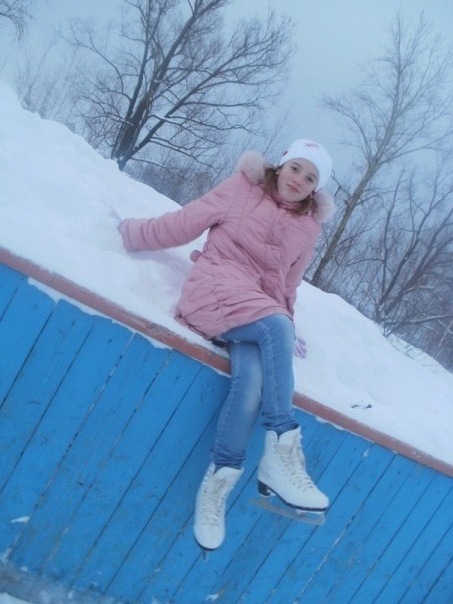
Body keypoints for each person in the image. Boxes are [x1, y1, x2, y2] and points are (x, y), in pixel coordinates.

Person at [118, 139, 336, 551]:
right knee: (275, 328)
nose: (299, 180)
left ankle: (216, 488)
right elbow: (185, 222)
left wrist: (285, 327)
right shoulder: (243, 187)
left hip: (254, 309)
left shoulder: (308, 227)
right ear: (282, 165)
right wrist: (132, 232)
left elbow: (287, 286)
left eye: (310, 178)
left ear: (315, 188)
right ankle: (282, 450)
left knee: (252, 384)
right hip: (214, 288)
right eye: (296, 168)